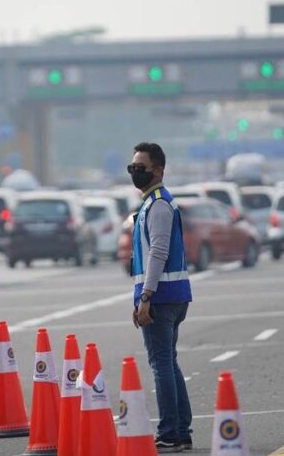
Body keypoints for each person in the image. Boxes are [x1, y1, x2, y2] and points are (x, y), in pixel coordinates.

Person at [129, 141, 193, 452]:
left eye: (140, 168)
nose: (135, 172)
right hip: (168, 295)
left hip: (162, 297)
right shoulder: (151, 204)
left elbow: (158, 252)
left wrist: (146, 297)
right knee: (168, 362)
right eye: (132, 168)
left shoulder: (159, 206)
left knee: (161, 364)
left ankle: (171, 432)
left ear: (158, 170)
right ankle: (180, 430)